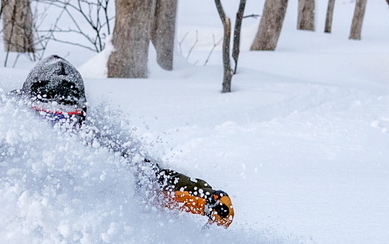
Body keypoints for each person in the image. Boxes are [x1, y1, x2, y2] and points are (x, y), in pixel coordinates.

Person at [15, 55, 234, 228]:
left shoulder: (100, 152)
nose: (59, 129)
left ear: (81, 118)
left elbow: (154, 179)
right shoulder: (5, 140)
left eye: (67, 118)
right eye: (49, 117)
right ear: (26, 110)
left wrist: (205, 197)